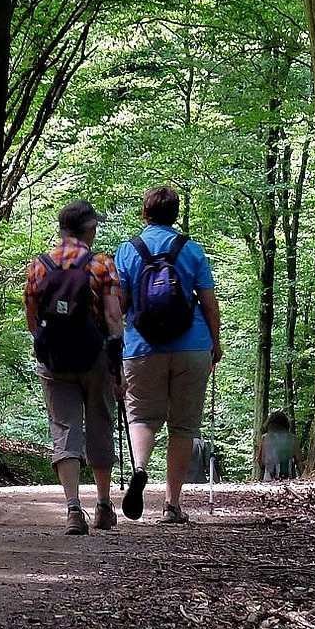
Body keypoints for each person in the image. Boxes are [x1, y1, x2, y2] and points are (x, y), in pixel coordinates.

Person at [114, 185, 221, 524]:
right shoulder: (191, 250)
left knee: (142, 417)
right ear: (175, 215)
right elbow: (209, 303)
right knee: (184, 426)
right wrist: (215, 343)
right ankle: (172, 505)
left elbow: (120, 305)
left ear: (144, 214)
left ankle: (140, 468)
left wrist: (114, 344)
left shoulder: (128, 251)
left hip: (142, 347)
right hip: (192, 345)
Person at [23, 199, 125, 535]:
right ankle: (104, 505)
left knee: (64, 428)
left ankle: (72, 509)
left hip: (54, 360)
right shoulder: (100, 264)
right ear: (89, 229)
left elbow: (32, 319)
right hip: (95, 357)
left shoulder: (39, 266)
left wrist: (49, 344)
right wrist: (117, 365)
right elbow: (113, 317)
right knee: (100, 423)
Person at [257, 410, 296, 481]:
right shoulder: (292, 438)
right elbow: (298, 461)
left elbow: (260, 460)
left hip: (269, 478)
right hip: (290, 478)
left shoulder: (265, 438)